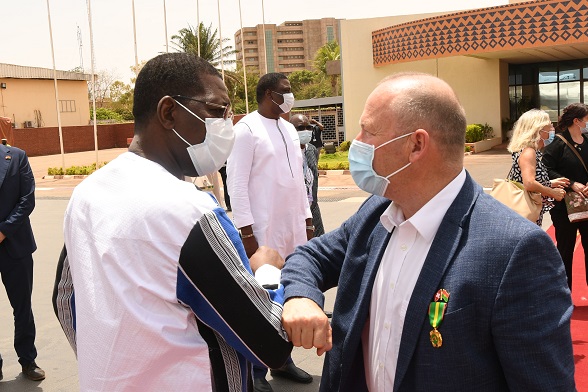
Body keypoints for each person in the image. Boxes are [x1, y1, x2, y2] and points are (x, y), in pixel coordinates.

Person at [280, 73, 576, 391]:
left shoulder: (515, 251)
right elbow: (310, 256)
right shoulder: (377, 211)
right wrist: (300, 297)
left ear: (416, 145)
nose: (357, 141)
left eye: (368, 130)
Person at [52, 53, 292, 391]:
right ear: (169, 112)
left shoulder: (86, 194)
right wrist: (267, 272)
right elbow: (270, 344)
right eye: (216, 110)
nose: (227, 124)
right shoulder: (190, 211)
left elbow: (64, 299)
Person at [227, 73, 313, 391]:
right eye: (284, 92)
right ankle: (254, 369)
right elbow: (236, 184)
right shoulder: (246, 130)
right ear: (267, 94)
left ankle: (281, 359)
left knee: (287, 293)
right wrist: (247, 235)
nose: (290, 97)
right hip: (263, 232)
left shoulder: (289, 129)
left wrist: (307, 220)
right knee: (261, 299)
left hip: (293, 228)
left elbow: (299, 180)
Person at [0, 143, 45, 381]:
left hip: (16, 245)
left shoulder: (17, 157)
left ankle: (28, 361)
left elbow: (27, 199)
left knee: (22, 307)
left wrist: (3, 231)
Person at [543, 102, 588, 292]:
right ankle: (563, 294)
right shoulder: (557, 143)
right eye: (586, 118)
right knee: (565, 251)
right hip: (563, 207)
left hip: (586, 205)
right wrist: (571, 184)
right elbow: (545, 170)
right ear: (577, 121)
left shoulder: (587, 140)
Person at [506, 109, 568, 226]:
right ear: (538, 129)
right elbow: (529, 183)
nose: (552, 129)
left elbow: (528, 180)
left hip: (527, 211)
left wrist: (550, 183)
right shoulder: (529, 152)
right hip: (525, 214)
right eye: (550, 125)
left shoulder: (530, 150)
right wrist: (552, 192)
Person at [290, 113, 325, 236]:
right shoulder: (285, 152)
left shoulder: (311, 149)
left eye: (308, 128)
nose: (306, 131)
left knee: (318, 246)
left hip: (313, 208)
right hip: (294, 213)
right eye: (300, 128)